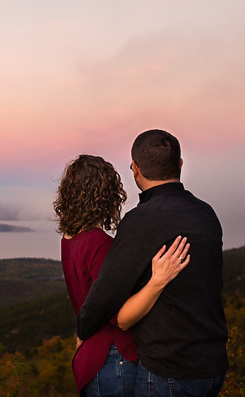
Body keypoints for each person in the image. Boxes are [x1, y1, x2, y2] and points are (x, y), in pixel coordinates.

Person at [76, 130, 229, 397]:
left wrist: (83, 330)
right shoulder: (206, 213)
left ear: (135, 169)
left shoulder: (142, 220)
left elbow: (106, 293)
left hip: (170, 369)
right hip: (213, 365)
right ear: (180, 164)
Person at [56, 154, 191, 396]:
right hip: (114, 357)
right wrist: (159, 279)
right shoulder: (100, 243)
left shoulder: (68, 240)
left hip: (90, 356)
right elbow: (119, 314)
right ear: (106, 194)